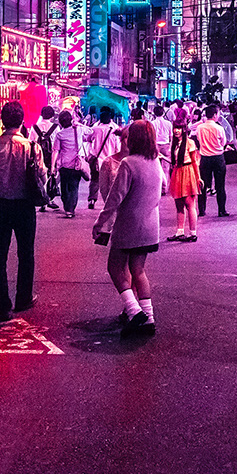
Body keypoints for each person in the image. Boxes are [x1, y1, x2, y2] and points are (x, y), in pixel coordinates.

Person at [93, 121, 164, 337]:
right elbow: (163, 189)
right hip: (150, 225)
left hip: (129, 225)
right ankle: (149, 317)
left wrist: (100, 223)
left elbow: (114, 198)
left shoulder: (128, 163)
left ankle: (134, 311)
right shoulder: (156, 161)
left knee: (115, 267)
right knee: (138, 271)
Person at [0, 101, 46, 320]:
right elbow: (42, 175)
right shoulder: (32, 147)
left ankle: (2, 304)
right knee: (26, 253)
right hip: (24, 205)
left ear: (1, 121)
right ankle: (23, 298)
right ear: (22, 121)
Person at [166, 113, 201, 242]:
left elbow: (195, 162)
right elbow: (174, 161)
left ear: (184, 129)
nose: (176, 131)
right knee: (179, 205)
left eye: (179, 128)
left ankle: (193, 233)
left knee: (190, 204)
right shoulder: (175, 144)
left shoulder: (190, 143)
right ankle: (179, 232)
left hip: (188, 173)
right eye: (175, 128)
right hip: (177, 173)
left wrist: (198, 179)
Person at [51, 109, 92, 217]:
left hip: (64, 165)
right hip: (76, 164)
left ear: (60, 122)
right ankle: (71, 209)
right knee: (74, 187)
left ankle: (67, 207)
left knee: (64, 187)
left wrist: (52, 166)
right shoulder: (78, 130)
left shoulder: (60, 134)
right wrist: (79, 124)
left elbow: (55, 151)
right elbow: (90, 131)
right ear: (71, 120)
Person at [195, 104, 228, 219]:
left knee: (202, 185)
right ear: (214, 115)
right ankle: (221, 210)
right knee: (220, 185)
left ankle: (202, 210)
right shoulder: (219, 128)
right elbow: (223, 143)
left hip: (205, 158)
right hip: (218, 158)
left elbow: (198, 140)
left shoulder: (200, 127)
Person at [85, 108, 120, 210]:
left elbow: (88, 139)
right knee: (110, 181)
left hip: (96, 159)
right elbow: (117, 147)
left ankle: (92, 199)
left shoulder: (95, 129)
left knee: (94, 180)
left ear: (100, 120)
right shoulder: (115, 130)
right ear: (110, 119)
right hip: (109, 160)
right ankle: (109, 201)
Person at [31, 105, 61, 212]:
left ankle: (42, 199)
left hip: (38, 156)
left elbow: (32, 142)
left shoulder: (34, 127)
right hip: (51, 155)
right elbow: (57, 145)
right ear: (52, 115)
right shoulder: (56, 128)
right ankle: (50, 198)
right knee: (51, 177)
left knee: (39, 177)